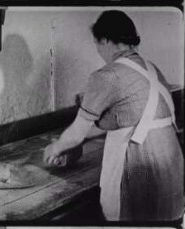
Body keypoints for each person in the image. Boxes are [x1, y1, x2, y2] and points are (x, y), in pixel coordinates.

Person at [43, 10, 184, 221]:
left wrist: (54, 148)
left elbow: (76, 133)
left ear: (106, 40)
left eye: (98, 44)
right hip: (171, 162)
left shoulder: (107, 75)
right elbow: (125, 118)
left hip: (140, 161)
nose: (99, 51)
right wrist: (70, 143)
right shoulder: (150, 69)